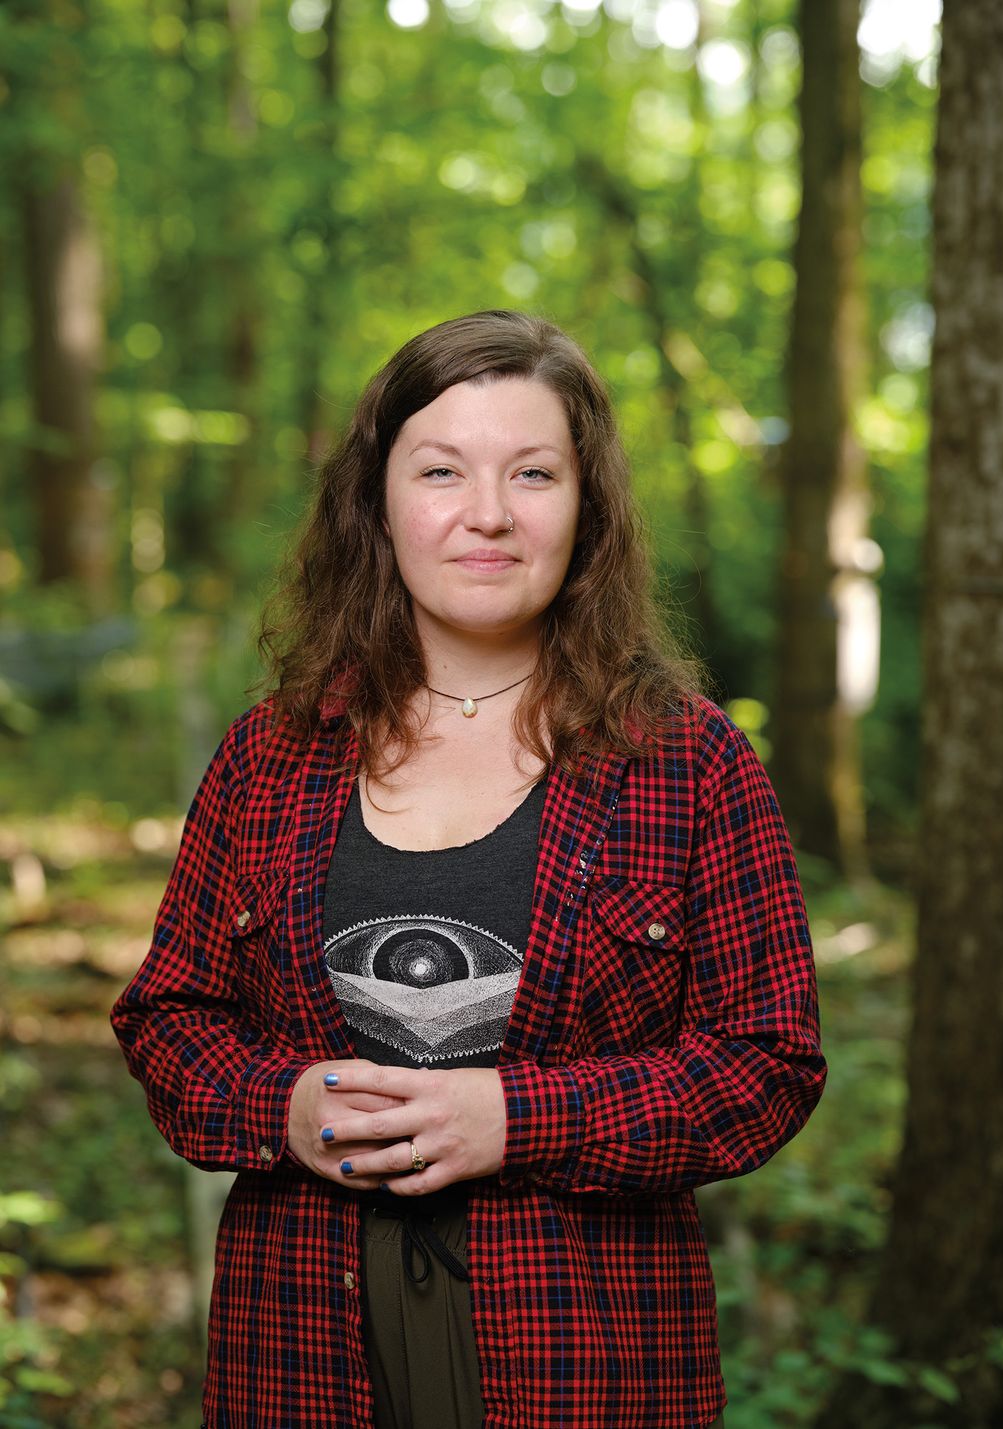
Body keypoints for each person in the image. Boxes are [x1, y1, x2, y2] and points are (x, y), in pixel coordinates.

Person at [111, 309, 826, 1429]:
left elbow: (767, 1064)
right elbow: (167, 1019)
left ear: (586, 507)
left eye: (532, 472)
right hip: (297, 1346)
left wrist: (518, 1119)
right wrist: (283, 1104)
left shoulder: (689, 764)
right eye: (441, 469)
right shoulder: (270, 756)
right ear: (379, 500)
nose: (487, 513)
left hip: (584, 1356)